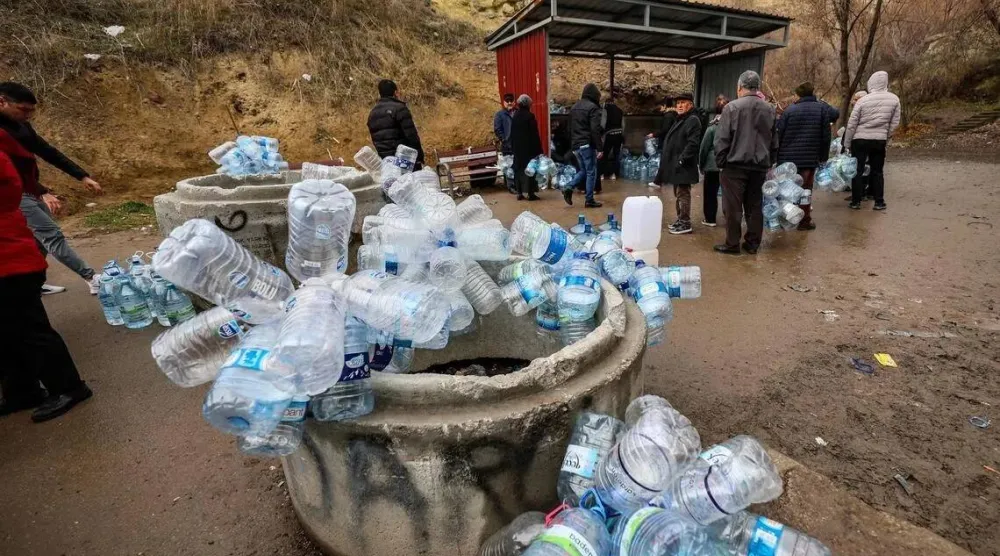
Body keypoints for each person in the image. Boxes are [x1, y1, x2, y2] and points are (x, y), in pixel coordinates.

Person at [0, 129, 92, 422]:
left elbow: (24, 167)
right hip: (11, 257)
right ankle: (21, 391)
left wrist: (41, 189)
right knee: (7, 333)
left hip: (9, 260)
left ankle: (69, 388)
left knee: (29, 330)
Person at [0, 82, 103, 295]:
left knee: (36, 240)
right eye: (24, 110)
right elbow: (11, 171)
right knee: (51, 235)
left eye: (31, 111)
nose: (28, 115)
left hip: (30, 190)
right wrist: (42, 191)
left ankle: (33, 284)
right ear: (2, 102)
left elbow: (48, 151)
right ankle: (91, 277)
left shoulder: (21, 126)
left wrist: (81, 175)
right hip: (12, 195)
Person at [713, 70, 778, 255]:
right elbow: (774, 140)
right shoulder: (769, 109)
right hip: (759, 166)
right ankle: (752, 243)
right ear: (758, 88)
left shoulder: (731, 108)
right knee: (755, 205)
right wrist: (769, 161)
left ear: (740, 87)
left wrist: (721, 161)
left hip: (734, 165)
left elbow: (721, 139)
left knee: (732, 207)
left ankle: (732, 243)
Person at [775, 82, 840, 230]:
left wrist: (776, 158)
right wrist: (823, 157)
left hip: (787, 159)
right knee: (805, 191)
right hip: (809, 159)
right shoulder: (821, 109)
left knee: (786, 189)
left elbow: (779, 134)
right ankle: (804, 222)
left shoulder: (789, 110)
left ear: (798, 94)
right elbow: (825, 136)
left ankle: (785, 218)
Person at [845, 71, 900, 211]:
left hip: (860, 140)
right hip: (879, 140)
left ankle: (856, 201)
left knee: (857, 170)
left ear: (871, 83)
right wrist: (886, 137)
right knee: (877, 171)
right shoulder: (894, 99)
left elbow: (852, 123)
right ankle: (879, 202)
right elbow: (894, 123)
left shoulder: (863, 100)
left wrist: (847, 143)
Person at [655, 93, 702, 235]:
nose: (680, 105)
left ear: (690, 105)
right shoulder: (681, 119)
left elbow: (693, 143)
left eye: (683, 102)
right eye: (678, 103)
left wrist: (682, 159)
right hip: (677, 164)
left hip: (684, 165)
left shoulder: (692, 120)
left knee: (683, 194)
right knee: (678, 193)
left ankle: (685, 223)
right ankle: (680, 219)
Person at [366, 79, 425, 168]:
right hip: (405, 160)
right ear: (395, 92)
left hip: (387, 163)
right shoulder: (400, 109)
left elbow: (376, 140)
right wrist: (419, 157)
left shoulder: (372, 113)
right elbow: (411, 135)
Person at [566, 83, 604, 208]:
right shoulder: (593, 108)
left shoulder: (574, 107)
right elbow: (595, 129)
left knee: (584, 170)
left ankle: (569, 186)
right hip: (586, 145)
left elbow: (569, 128)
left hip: (576, 145)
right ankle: (589, 199)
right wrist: (600, 148)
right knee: (591, 172)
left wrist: (572, 144)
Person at [699, 96, 728, 227]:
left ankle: (710, 219)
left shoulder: (712, 127)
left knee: (710, 193)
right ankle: (730, 219)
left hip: (712, 165)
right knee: (729, 194)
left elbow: (704, 148)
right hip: (728, 166)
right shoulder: (733, 126)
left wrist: (701, 164)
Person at [509, 94, 543, 202]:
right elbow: (534, 134)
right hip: (529, 149)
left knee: (518, 170)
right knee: (530, 170)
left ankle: (519, 193)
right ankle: (530, 193)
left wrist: (513, 147)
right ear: (528, 104)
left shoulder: (515, 116)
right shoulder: (530, 116)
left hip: (517, 149)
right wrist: (539, 150)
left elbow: (512, 134)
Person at [647, 96, 678, 188]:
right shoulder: (674, 115)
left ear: (664, 106)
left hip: (667, 141)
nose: (660, 109)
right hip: (672, 141)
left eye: (660, 107)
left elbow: (665, 130)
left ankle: (658, 182)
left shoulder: (668, 116)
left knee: (663, 162)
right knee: (669, 161)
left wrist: (654, 134)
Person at [494, 93, 516, 193]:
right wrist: (504, 139)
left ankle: (517, 185)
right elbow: (497, 129)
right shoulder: (500, 115)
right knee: (508, 166)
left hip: (517, 144)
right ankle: (511, 186)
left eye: (511, 100)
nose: (509, 103)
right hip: (507, 146)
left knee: (516, 165)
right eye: (507, 101)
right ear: (504, 102)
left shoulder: (517, 113)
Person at [601, 96, 624, 181]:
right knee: (616, 155)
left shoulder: (605, 109)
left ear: (606, 103)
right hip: (619, 134)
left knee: (605, 154)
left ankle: (602, 174)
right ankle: (614, 174)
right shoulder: (620, 110)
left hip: (609, 134)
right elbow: (623, 125)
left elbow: (603, 124)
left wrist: (601, 135)